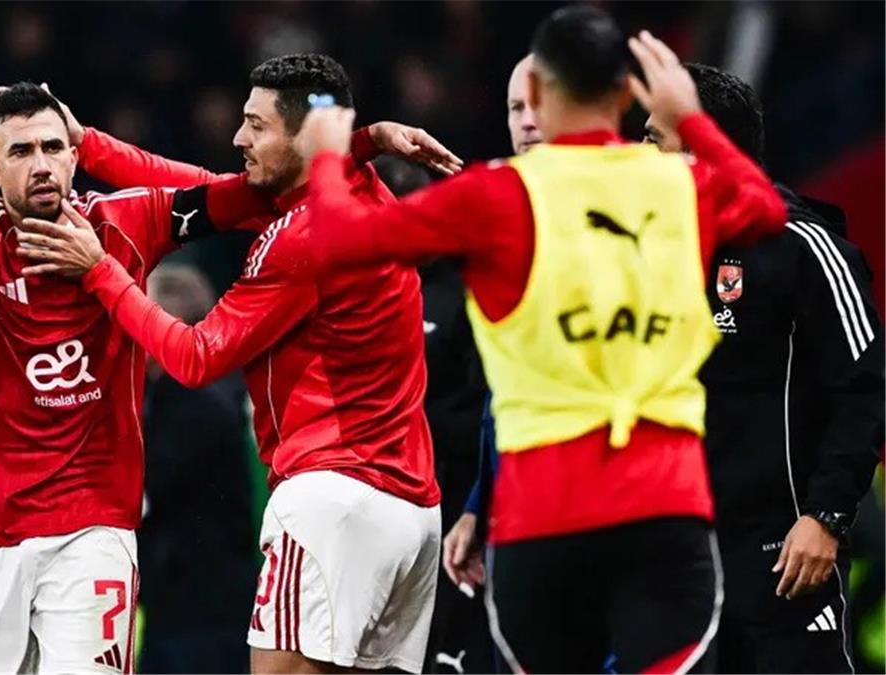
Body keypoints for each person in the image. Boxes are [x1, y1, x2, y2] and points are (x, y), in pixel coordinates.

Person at [0, 78, 448, 674]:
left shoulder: (125, 221)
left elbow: (246, 193)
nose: (41, 165)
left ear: (74, 155)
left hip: (92, 525)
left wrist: (362, 142)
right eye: (21, 152)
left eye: (53, 147)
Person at [294, 7, 790, 672]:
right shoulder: (680, 184)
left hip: (543, 515)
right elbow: (766, 206)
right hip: (663, 507)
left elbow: (336, 239)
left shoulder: (495, 196)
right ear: (627, 92)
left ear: (533, 91)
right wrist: (689, 118)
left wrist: (331, 156)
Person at [645, 62, 885, 674]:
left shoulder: (803, 246)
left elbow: (865, 387)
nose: (639, 158)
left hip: (783, 556)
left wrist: (827, 517)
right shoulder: (655, 255)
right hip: (683, 559)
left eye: (654, 140)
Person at [442, 52, 543, 599]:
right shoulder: (502, 225)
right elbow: (504, 390)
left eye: (538, 106)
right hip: (515, 512)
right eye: (515, 107)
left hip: (597, 512)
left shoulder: (624, 217)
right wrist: (480, 504)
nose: (526, 121)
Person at [136, 264, 257, 674]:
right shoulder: (178, 394)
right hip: (182, 607)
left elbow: (147, 490)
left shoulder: (199, 404)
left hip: (202, 615)